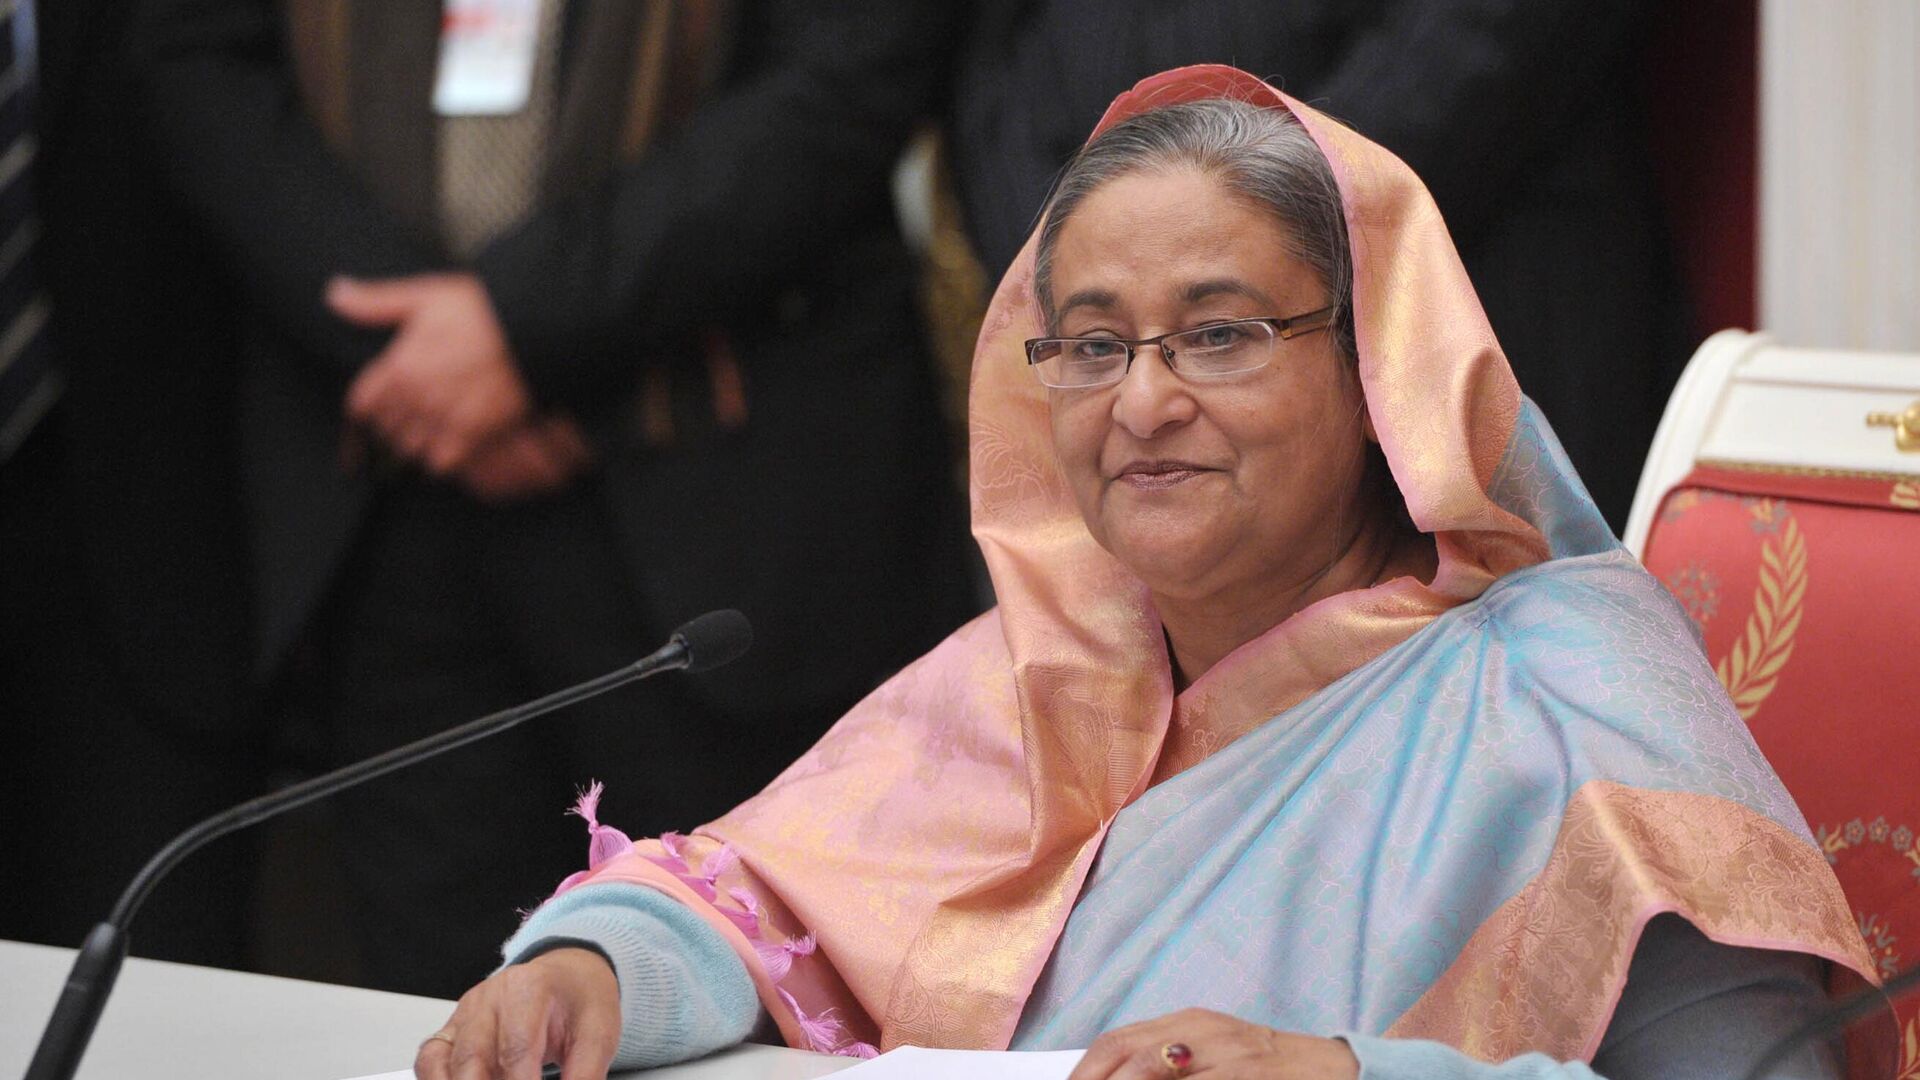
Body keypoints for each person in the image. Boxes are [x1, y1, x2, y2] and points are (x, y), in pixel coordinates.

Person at [413, 67, 1871, 1079]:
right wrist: (594, 973)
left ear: (1376, 366)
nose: (1143, 402)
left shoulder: (1559, 687)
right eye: (1094, 344)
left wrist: (1349, 1075)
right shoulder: (1042, 664)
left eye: (1220, 334)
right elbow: (765, 903)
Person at [128, 0, 972, 996]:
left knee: (742, 984)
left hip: (726, 489)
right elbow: (196, 55)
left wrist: (518, 333)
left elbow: (845, 70)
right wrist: (423, 359)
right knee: (433, 1008)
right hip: (386, 495)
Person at [944, 0, 1690, 533]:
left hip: (1479, 240)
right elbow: (995, 52)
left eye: (1217, 334)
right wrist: (1062, 240)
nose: (1147, 406)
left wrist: (1293, 204)